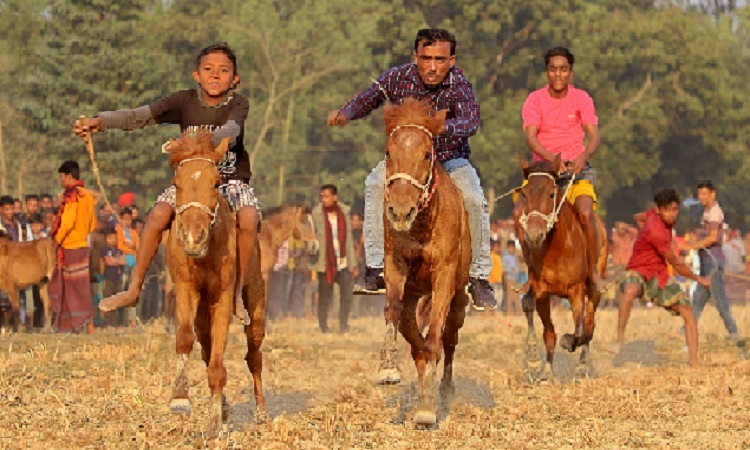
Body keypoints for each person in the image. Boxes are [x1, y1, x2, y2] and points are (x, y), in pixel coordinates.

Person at [74, 42, 260, 324]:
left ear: (234, 79)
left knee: (248, 217)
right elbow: (139, 116)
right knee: (159, 213)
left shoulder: (238, 104)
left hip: (228, 180)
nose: (215, 76)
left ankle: (236, 292)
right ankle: (134, 288)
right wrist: (100, 121)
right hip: (188, 185)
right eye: (208, 70)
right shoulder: (183, 101)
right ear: (196, 75)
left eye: (223, 71)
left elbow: (232, 130)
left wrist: (206, 141)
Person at [326, 28, 495, 309]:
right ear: (415, 56)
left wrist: (445, 126)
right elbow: (369, 97)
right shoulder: (397, 77)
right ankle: (376, 269)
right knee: (373, 184)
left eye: (440, 59)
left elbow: (471, 122)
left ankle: (479, 277)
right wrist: (346, 114)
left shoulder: (459, 84)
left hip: (449, 159)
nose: (432, 66)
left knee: (475, 199)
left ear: (451, 60)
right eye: (426, 58)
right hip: (405, 162)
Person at [517, 46, 606, 293]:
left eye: (563, 70)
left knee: (586, 213)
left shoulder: (581, 99)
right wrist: (553, 160)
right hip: (543, 172)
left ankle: (592, 272)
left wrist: (583, 156)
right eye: (553, 69)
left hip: (577, 171)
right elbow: (531, 138)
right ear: (547, 72)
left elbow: (594, 134)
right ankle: (532, 274)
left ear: (570, 73)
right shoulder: (535, 99)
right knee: (518, 215)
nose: (558, 75)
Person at [617, 188, 709, 367]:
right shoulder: (656, 231)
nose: (672, 214)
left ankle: (694, 362)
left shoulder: (653, 215)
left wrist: (643, 236)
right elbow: (677, 264)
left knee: (688, 312)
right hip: (639, 269)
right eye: (667, 210)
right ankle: (619, 339)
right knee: (630, 290)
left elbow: (637, 217)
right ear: (658, 210)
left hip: (659, 274)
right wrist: (699, 279)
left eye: (674, 209)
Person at [681, 181, 739, 340]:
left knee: (720, 301)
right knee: (698, 300)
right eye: (699, 194)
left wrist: (693, 246)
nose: (701, 197)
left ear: (713, 194)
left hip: (713, 261)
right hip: (707, 261)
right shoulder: (706, 212)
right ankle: (685, 330)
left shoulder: (714, 212)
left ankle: (734, 333)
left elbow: (713, 237)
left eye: (704, 194)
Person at [48, 161, 97, 334]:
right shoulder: (87, 195)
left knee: (74, 288)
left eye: (62, 177)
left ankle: (88, 326)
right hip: (83, 244)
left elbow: (68, 222)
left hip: (70, 246)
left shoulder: (72, 195)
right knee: (78, 287)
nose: (61, 181)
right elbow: (92, 225)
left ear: (69, 176)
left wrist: (57, 241)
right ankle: (76, 326)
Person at [310, 185, 358, 333]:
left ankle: (343, 325)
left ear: (335, 197)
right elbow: (312, 236)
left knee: (347, 295)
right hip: (325, 262)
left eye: (327, 196)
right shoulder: (316, 214)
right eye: (322, 197)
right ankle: (324, 327)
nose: (324, 200)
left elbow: (348, 240)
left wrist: (353, 263)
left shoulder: (344, 212)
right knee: (324, 296)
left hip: (343, 261)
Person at [101, 228, 126, 327]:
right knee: (108, 299)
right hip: (108, 278)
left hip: (118, 278)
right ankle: (107, 322)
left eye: (114, 238)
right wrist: (116, 261)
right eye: (110, 238)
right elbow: (108, 262)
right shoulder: (105, 250)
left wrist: (114, 261)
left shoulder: (119, 251)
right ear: (106, 239)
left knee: (117, 300)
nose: (113, 240)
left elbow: (123, 261)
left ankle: (116, 322)